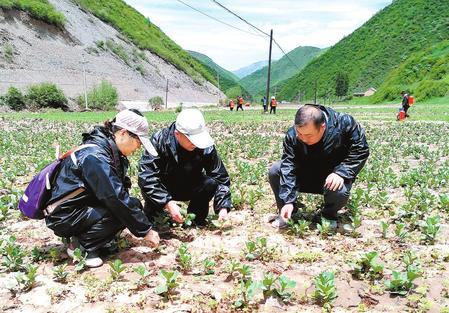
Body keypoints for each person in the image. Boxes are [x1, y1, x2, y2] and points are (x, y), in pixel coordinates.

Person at [45, 109, 160, 267]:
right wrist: (146, 230)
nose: (139, 147)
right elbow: (115, 198)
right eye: (139, 141)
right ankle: (81, 247)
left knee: (133, 205)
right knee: (119, 210)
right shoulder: (95, 156)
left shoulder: (107, 150)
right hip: (64, 215)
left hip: (76, 209)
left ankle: (91, 238)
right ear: (123, 133)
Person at [268, 105, 369, 229]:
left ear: (323, 127)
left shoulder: (344, 123)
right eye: (299, 133)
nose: (303, 139)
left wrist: (341, 173)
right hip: (306, 176)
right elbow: (288, 166)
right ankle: (287, 212)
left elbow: (361, 150)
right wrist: (288, 200)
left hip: (331, 178)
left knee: (339, 189)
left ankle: (328, 215)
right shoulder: (292, 135)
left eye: (309, 135)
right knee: (275, 170)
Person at [138, 108, 231, 226]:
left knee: (210, 183)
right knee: (154, 223)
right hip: (164, 186)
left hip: (190, 185)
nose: (195, 143)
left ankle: (195, 220)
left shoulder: (205, 146)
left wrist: (223, 207)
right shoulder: (160, 140)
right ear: (177, 134)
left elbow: (220, 177)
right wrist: (167, 202)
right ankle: (156, 214)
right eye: (191, 139)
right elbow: (147, 176)